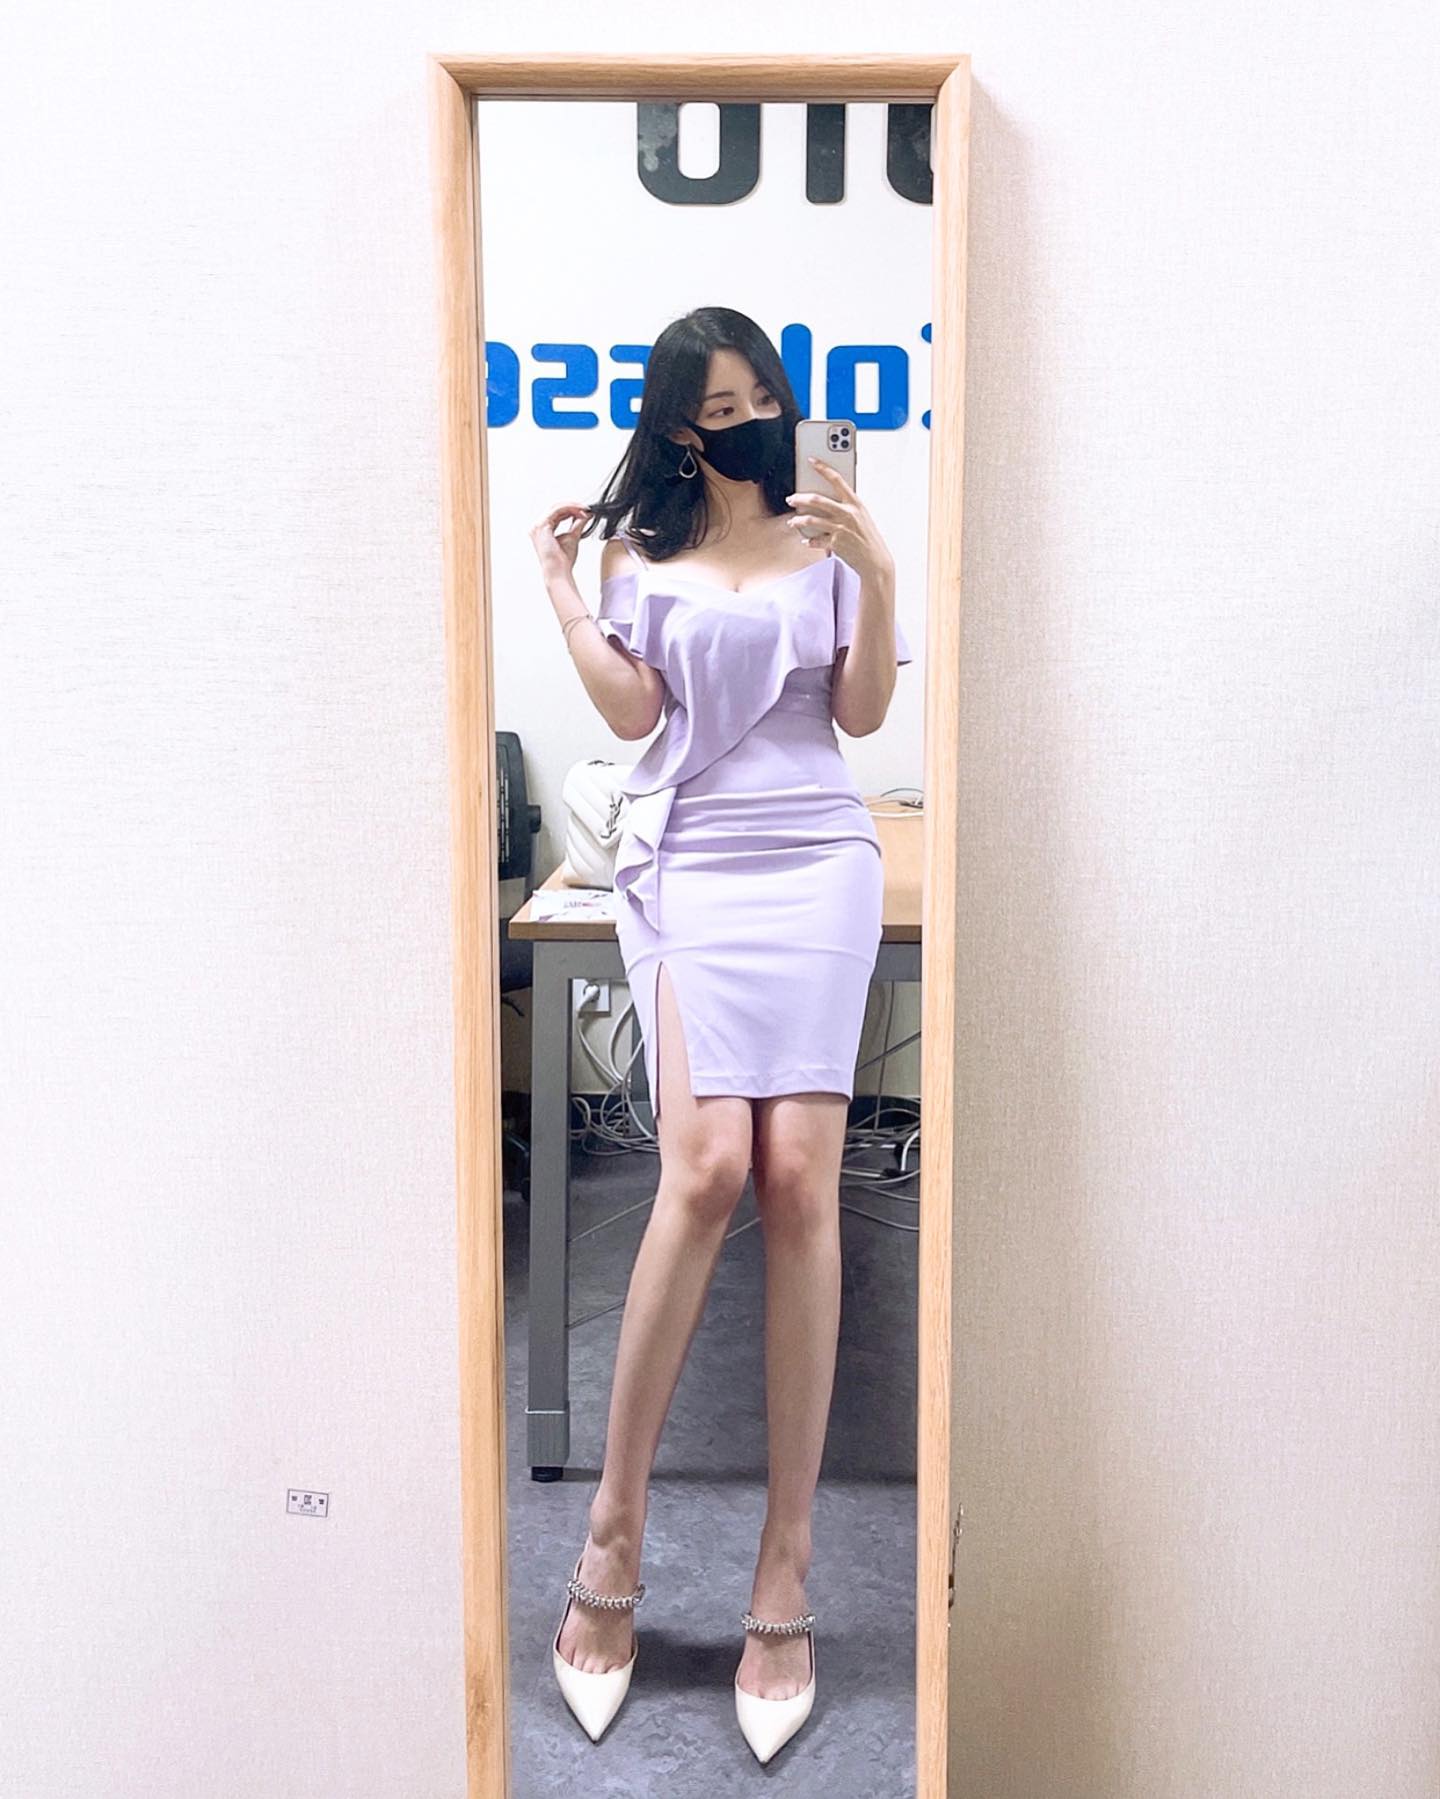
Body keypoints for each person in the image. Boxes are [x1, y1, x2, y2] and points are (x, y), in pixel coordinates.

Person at [528, 305, 913, 1762]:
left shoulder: (830, 539)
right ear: (679, 424)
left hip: (816, 853)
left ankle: (787, 1566)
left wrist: (880, 575)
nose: (749, 421)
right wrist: (562, 590)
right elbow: (639, 711)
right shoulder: (644, 551)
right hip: (693, 854)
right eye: (721, 405)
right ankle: (613, 1532)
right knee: (703, 1173)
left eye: (764, 398)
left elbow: (859, 716)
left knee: (802, 1181)